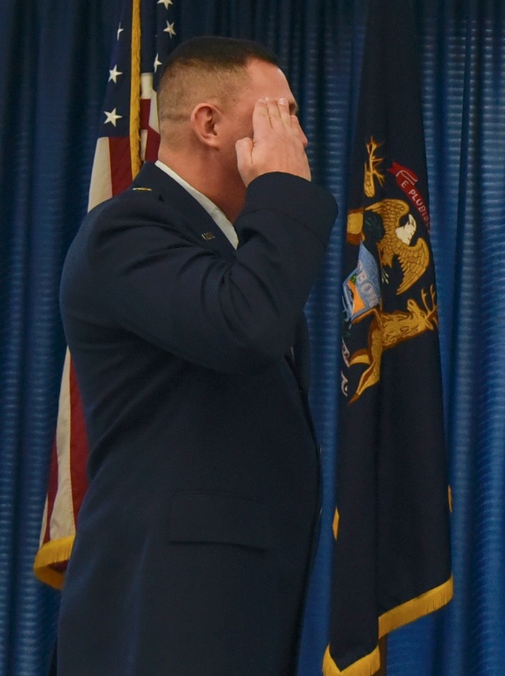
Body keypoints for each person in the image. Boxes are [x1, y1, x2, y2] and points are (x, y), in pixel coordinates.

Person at [56, 36, 338, 675]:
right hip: (165, 610)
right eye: (280, 113)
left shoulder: (232, 246)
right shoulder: (127, 231)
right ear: (210, 124)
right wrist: (284, 190)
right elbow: (247, 327)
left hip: (231, 607)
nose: (298, 136)